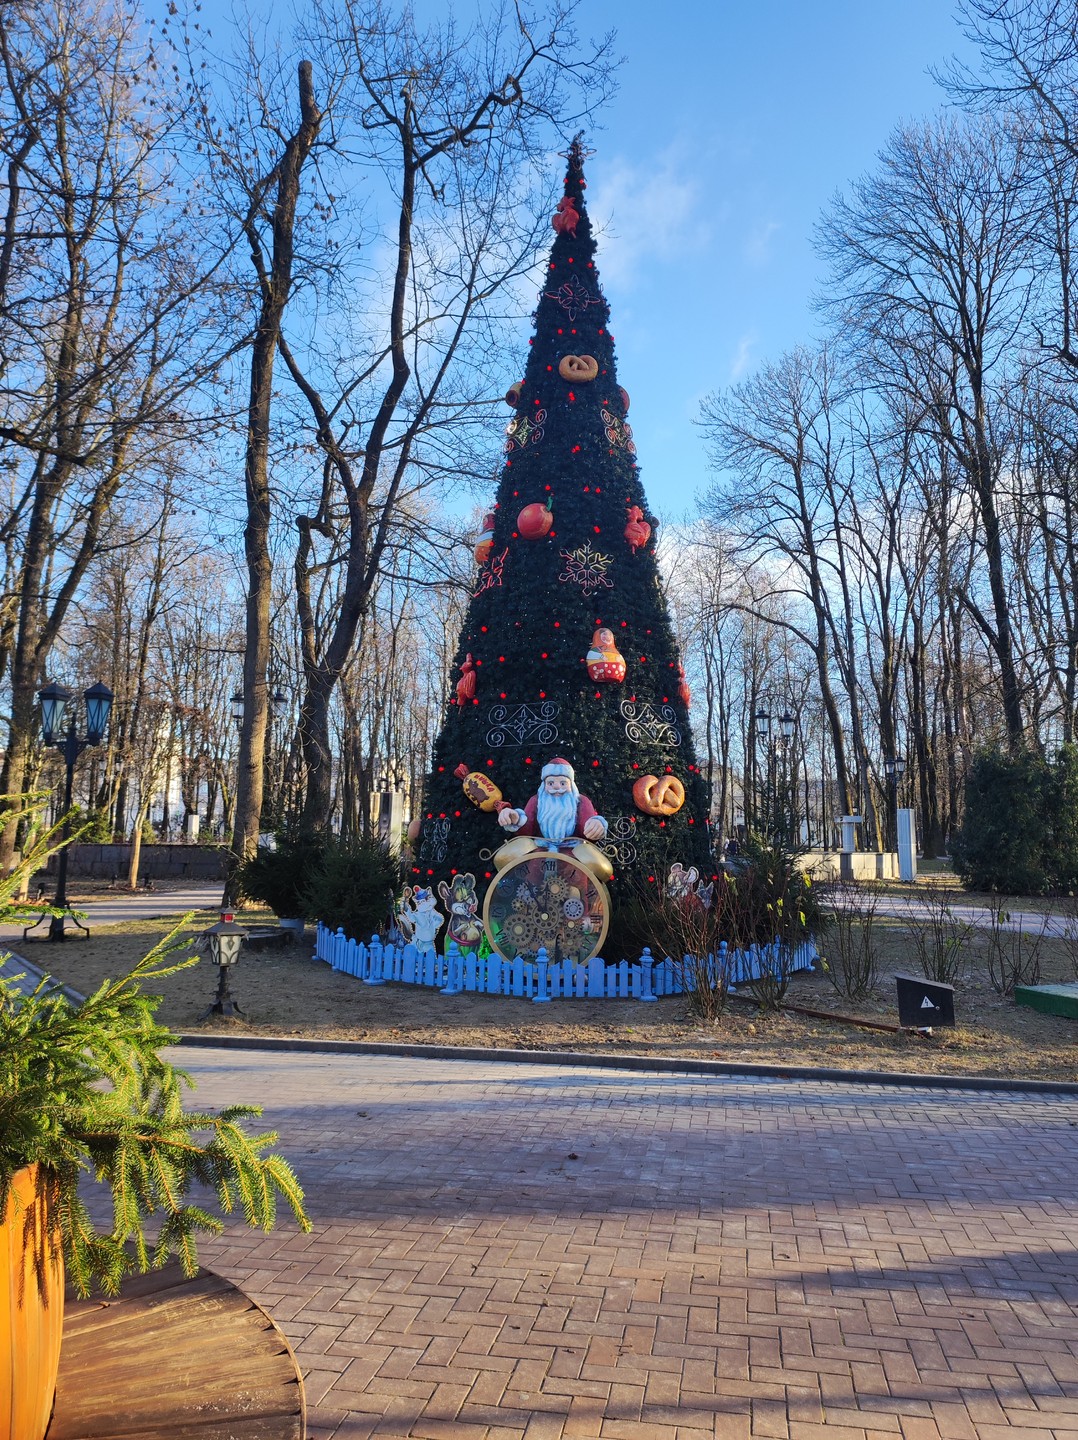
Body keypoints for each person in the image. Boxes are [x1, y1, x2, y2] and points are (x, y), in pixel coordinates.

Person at [498, 757, 608, 844]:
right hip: (540, 853)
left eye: (563, 783)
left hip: (573, 853)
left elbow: (587, 832)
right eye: (551, 783)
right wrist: (517, 819)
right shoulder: (536, 801)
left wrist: (595, 826)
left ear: (571, 785)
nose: (556, 787)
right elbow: (528, 832)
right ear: (544, 785)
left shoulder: (581, 801)